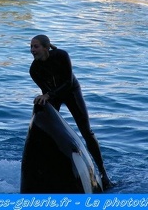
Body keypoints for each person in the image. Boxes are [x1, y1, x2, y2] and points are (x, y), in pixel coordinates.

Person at [29, 34, 113, 190]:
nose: (32, 50)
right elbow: (45, 91)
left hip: (71, 92)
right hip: (54, 94)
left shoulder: (61, 55)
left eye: (36, 46)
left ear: (46, 47)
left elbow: (68, 82)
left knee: (87, 132)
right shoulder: (34, 70)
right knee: (46, 122)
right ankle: (50, 165)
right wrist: (43, 99)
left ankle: (103, 173)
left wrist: (48, 95)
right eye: (31, 47)